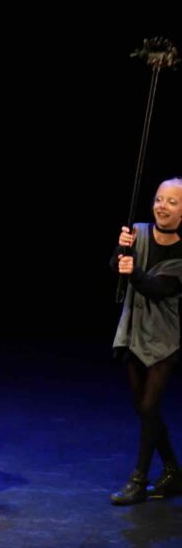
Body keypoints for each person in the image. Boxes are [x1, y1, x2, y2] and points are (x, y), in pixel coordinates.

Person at [110, 177, 182, 505]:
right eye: (158, 199)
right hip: (134, 332)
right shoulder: (137, 231)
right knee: (144, 409)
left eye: (172, 201)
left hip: (165, 339)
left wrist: (132, 270)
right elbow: (115, 267)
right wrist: (121, 248)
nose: (162, 206)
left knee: (150, 406)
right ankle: (172, 470)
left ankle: (138, 480)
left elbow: (158, 287)